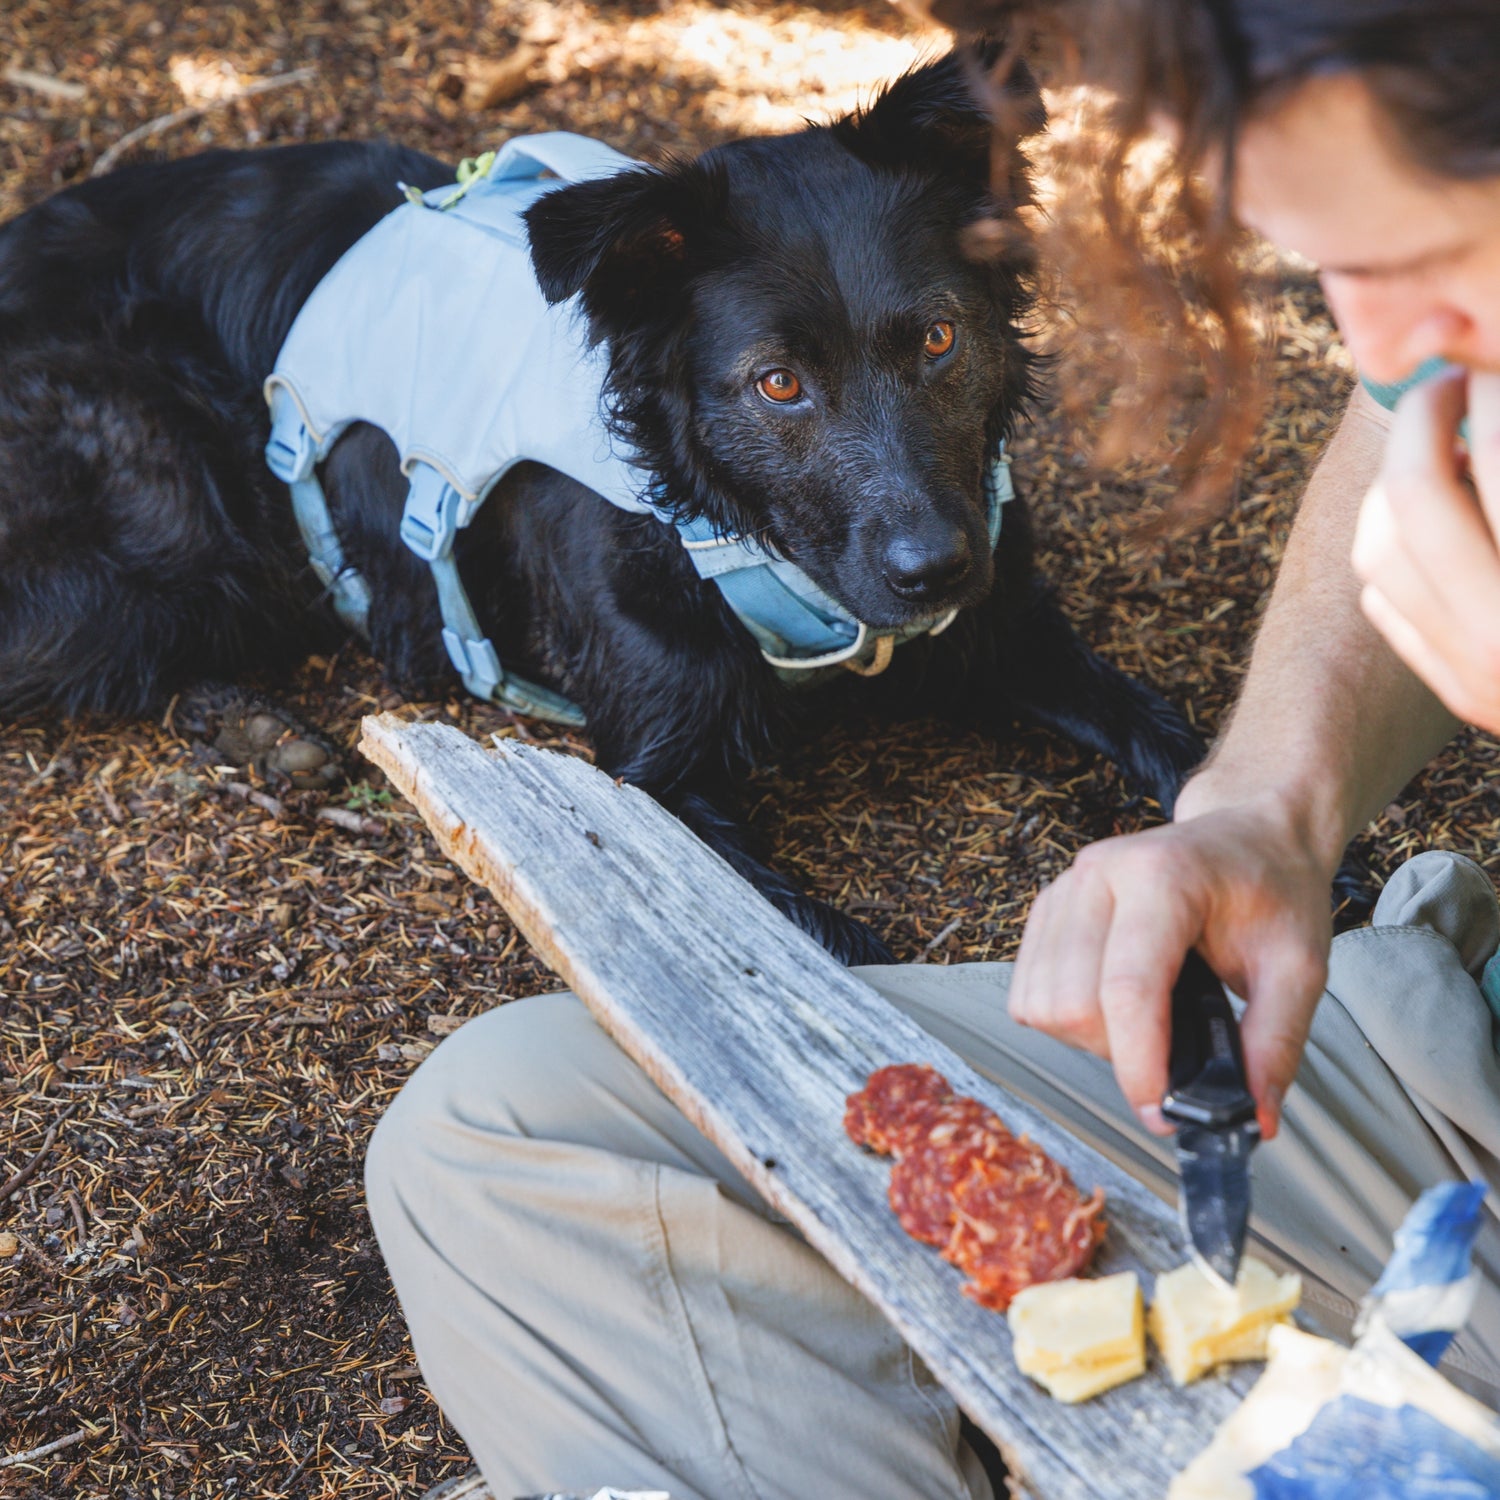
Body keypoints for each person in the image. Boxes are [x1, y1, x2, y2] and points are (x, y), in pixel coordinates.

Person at [365, 5, 1500, 1496]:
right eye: (1341, 268)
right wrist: (1265, 810)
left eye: (1433, 256)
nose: (1382, 352)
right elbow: (1401, 421)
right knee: (500, 1124)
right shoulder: (1438, 339)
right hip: (1438, 1077)